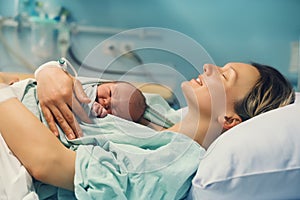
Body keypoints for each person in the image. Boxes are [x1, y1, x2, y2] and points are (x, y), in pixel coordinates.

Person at [0, 61, 295, 199]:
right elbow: (63, 87)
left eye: (224, 76)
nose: (209, 67)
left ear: (230, 119)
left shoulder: (174, 165)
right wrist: (48, 71)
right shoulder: (157, 111)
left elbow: (48, 164)